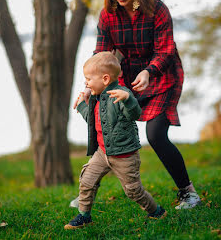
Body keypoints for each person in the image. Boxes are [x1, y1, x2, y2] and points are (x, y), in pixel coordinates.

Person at [70, 0, 200, 210]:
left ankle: (188, 192)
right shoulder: (108, 15)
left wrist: (149, 71)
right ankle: (87, 190)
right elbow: (102, 54)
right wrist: (89, 87)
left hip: (162, 76)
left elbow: (166, 50)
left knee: (155, 135)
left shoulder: (158, 10)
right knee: (106, 124)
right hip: (128, 78)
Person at [64, 52, 167, 229]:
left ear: (105, 79)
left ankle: (156, 212)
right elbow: (93, 119)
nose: (86, 83)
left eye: (89, 79)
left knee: (133, 191)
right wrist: (82, 104)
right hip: (103, 153)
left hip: (125, 156)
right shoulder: (97, 97)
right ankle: (84, 216)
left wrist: (128, 100)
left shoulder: (121, 94)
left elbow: (135, 114)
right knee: (87, 180)